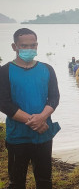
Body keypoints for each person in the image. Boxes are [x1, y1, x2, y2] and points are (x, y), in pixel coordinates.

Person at [0, 28, 60, 189]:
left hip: (43, 136)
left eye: (33, 46)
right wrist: (35, 122)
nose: (29, 49)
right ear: (14, 47)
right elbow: (4, 103)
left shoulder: (47, 69)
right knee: (16, 182)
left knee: (44, 181)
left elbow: (54, 98)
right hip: (17, 136)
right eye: (24, 46)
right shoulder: (4, 71)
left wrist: (42, 117)